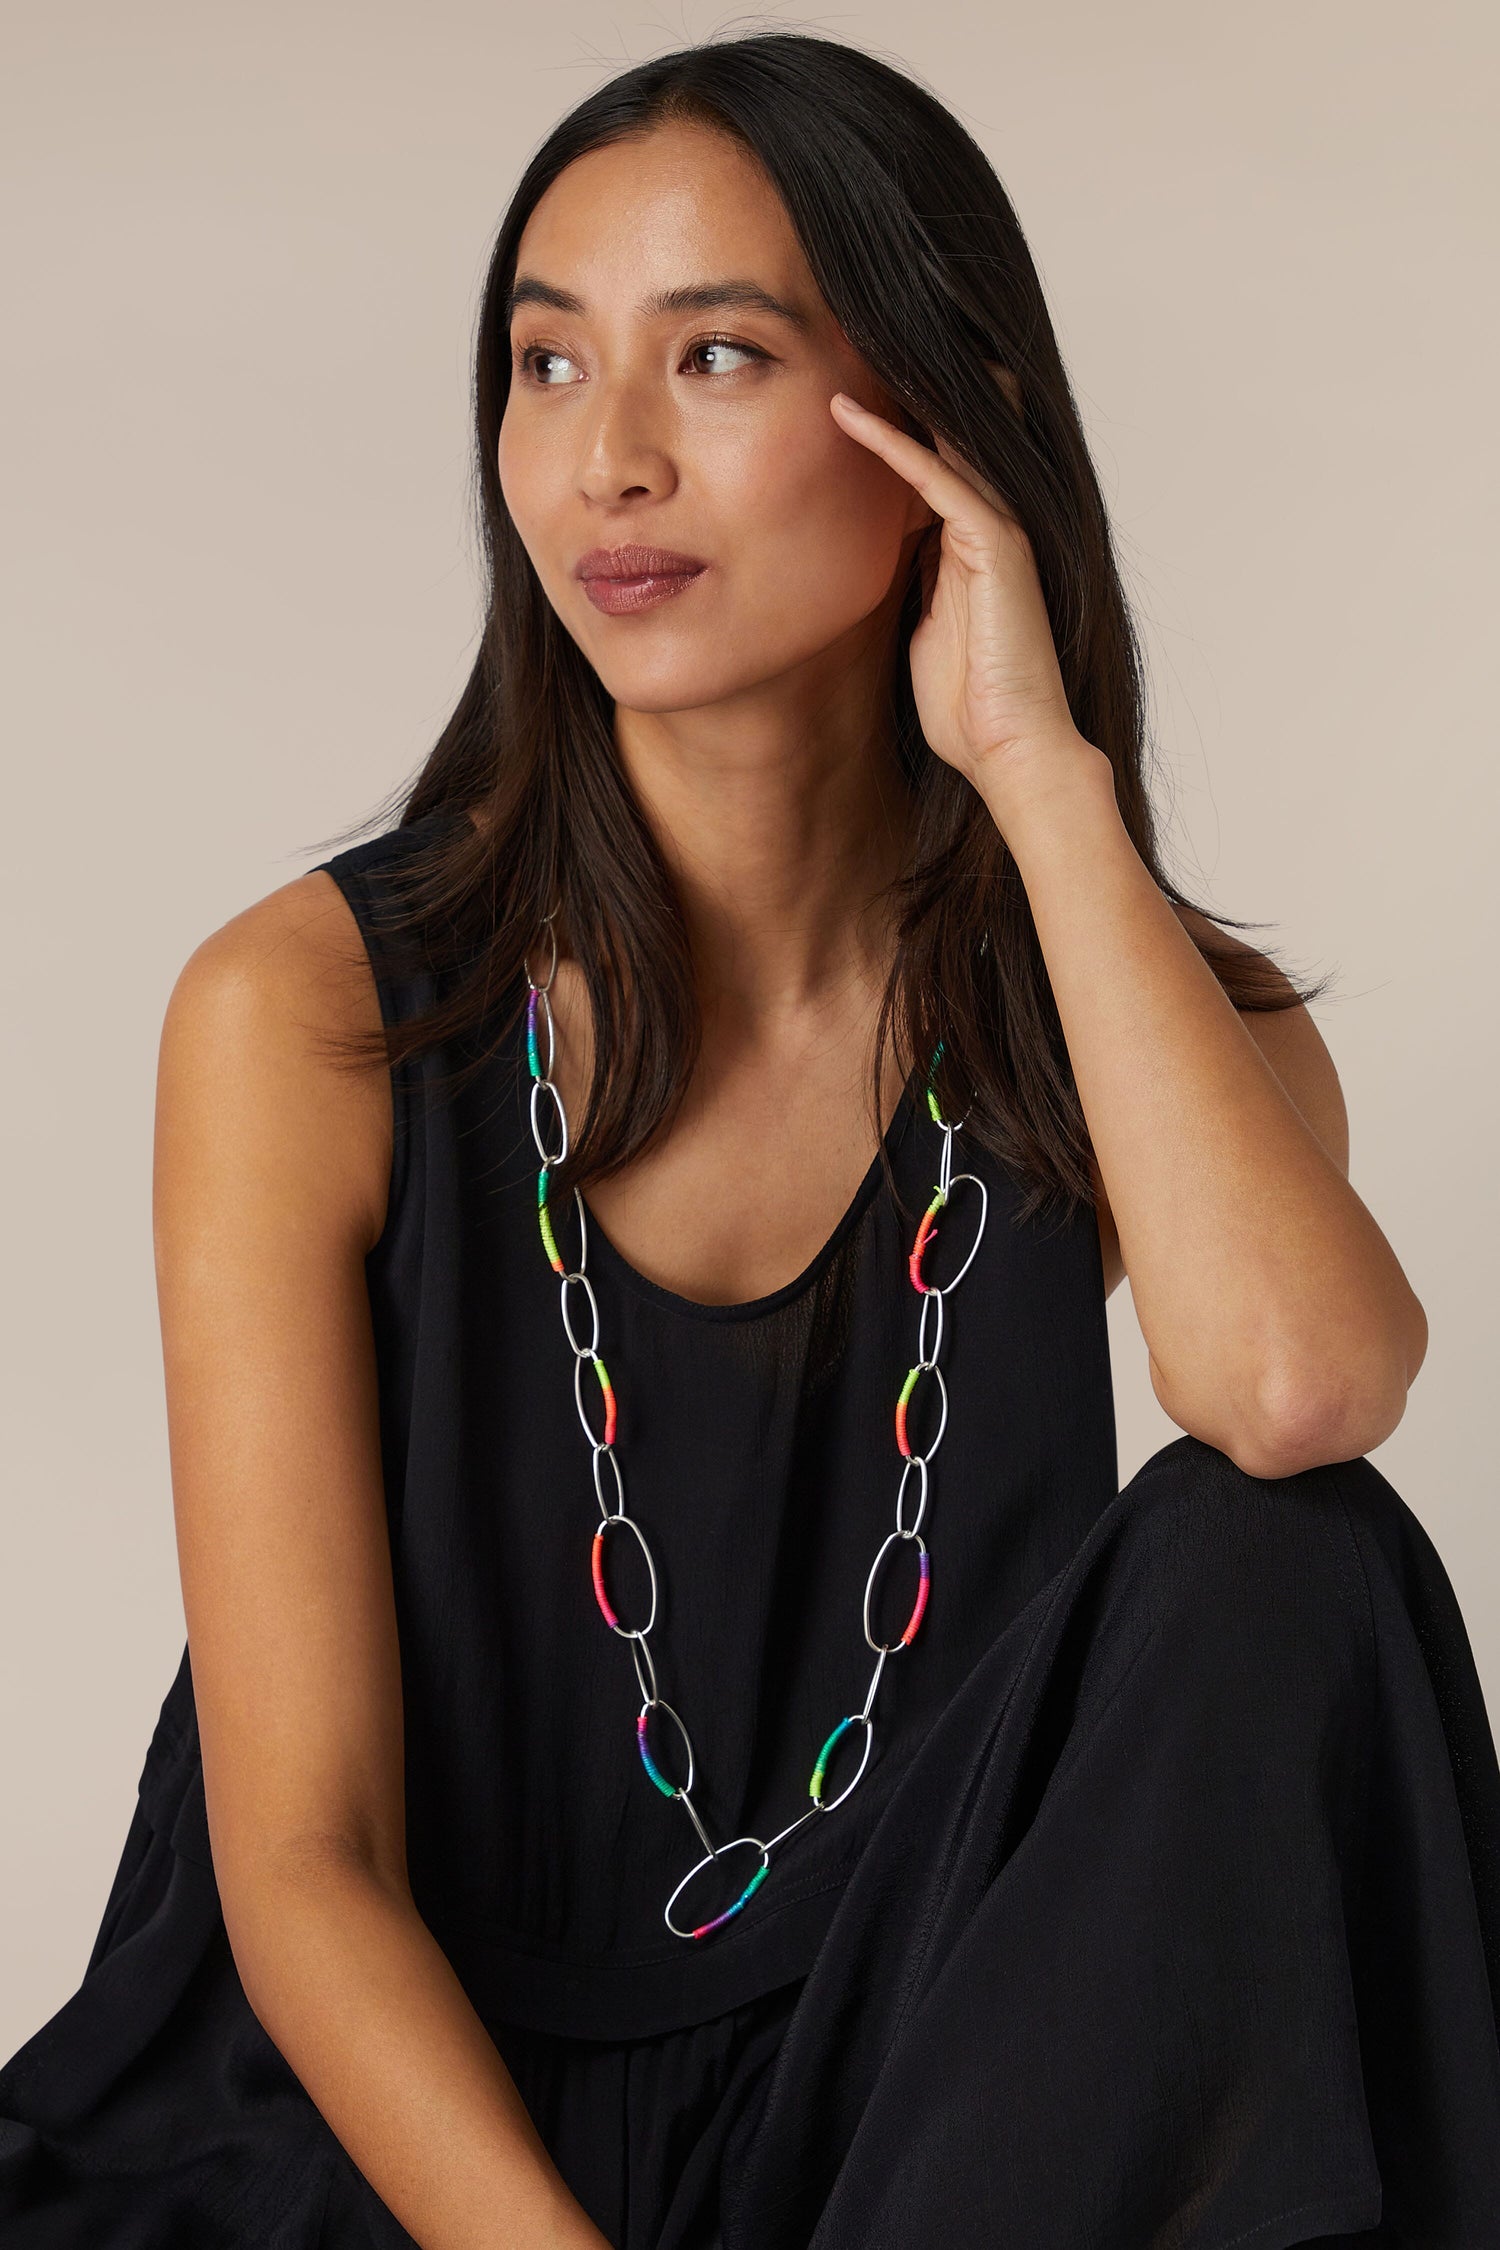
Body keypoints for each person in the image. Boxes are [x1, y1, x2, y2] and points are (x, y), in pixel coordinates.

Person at [3, 29, 1497, 2250]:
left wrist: (1039, 771)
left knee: (1294, 1551)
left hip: (905, 2135)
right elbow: (300, 1862)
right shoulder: (308, 1016)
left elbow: (1298, 1390)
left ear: (934, 420)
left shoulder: (1132, 1016)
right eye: (540, 362)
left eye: (714, 356)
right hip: (380, 2145)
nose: (603, 460)